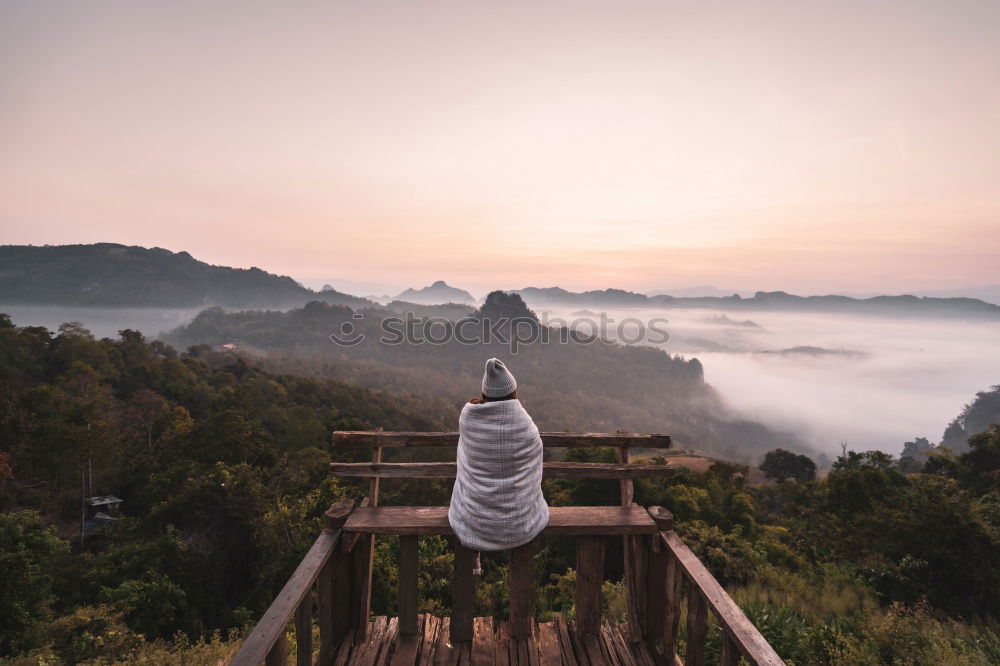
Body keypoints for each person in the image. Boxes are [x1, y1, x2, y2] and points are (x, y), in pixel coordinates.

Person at [447, 358, 550, 560]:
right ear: (513, 392)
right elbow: (534, 460)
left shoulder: (468, 417)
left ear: (485, 392)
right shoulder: (525, 425)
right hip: (520, 523)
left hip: (473, 520)